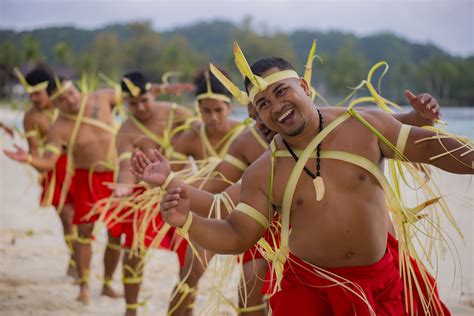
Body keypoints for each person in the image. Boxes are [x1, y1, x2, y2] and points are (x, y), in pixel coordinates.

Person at [135, 52, 472, 315]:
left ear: (304, 88)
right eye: (263, 104)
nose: (276, 107)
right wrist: (188, 220)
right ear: (256, 114)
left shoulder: (361, 124)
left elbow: (428, 147)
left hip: (379, 279)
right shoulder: (262, 170)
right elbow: (236, 230)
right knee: (251, 286)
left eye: (282, 91)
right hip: (308, 290)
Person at [5, 77, 122, 304]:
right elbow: (48, 162)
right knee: (83, 232)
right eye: (63, 99)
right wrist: (28, 157)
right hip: (85, 179)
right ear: (55, 104)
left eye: (72, 93)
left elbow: (136, 100)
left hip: (116, 178)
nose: (71, 100)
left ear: (77, 89)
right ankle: (84, 285)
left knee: (116, 234)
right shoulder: (59, 128)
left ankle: (107, 283)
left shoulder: (101, 97)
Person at [114, 71, 193, 316]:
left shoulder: (177, 113)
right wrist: (123, 185)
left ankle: (186, 306)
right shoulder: (126, 130)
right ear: (125, 103)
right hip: (145, 195)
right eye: (133, 103)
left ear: (152, 94)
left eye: (144, 100)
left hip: (183, 191)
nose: (140, 107)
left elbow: (202, 139)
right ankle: (131, 309)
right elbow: (125, 165)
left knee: (191, 255)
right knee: (134, 249)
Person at [5, 67, 76, 279]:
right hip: (53, 170)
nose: (33, 98)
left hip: (80, 165)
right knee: (66, 216)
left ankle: (81, 259)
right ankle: (74, 259)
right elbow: (35, 153)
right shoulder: (31, 118)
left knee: (83, 219)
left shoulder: (67, 104)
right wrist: (28, 159)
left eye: (38, 93)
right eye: (30, 94)